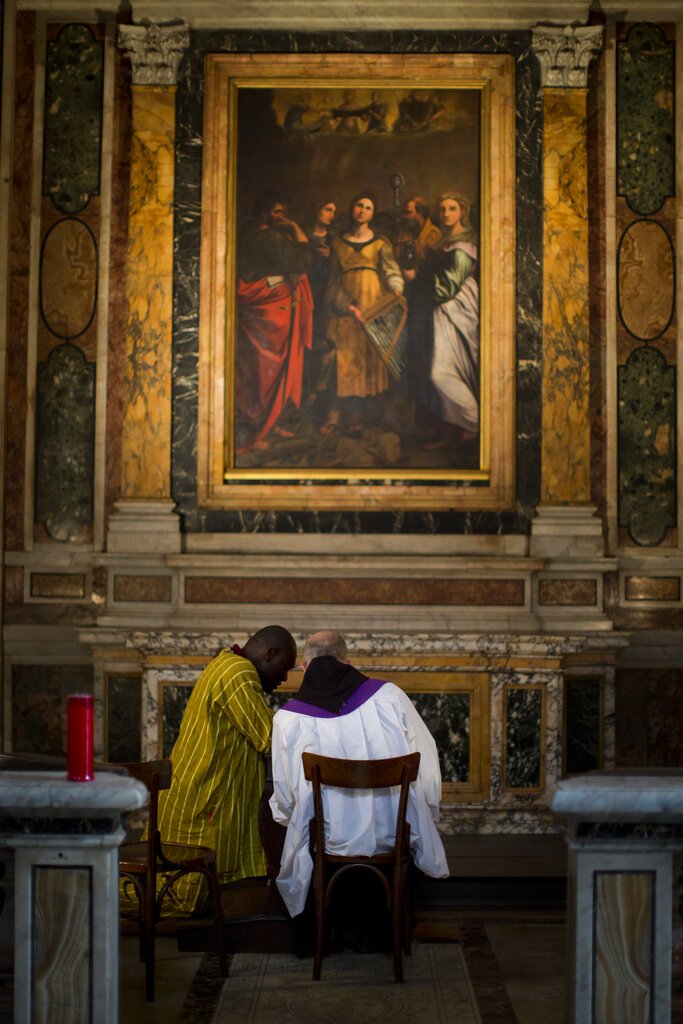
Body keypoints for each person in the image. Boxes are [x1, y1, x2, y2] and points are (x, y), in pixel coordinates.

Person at [269, 630, 449, 926]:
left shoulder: (287, 719)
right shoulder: (390, 697)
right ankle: (382, 926)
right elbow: (426, 764)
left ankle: (330, 928)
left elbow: (286, 799)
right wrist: (426, 813)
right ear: (348, 662)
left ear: (304, 668)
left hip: (326, 842)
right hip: (391, 833)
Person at [152, 625, 297, 915]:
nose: (284, 677)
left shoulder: (226, 664)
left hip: (198, 791)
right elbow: (267, 736)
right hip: (203, 798)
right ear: (269, 653)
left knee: (196, 891)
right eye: (285, 667)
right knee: (182, 896)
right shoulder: (238, 673)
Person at [236, 190, 315, 452]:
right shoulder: (270, 238)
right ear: (264, 212)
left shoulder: (247, 235)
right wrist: (295, 227)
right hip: (270, 310)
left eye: (284, 214)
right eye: (277, 212)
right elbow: (305, 261)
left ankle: (269, 422)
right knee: (269, 370)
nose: (282, 217)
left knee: (256, 372)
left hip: (253, 309)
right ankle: (263, 427)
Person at [323, 193, 404, 433]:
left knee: (366, 360)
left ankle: (359, 416)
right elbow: (332, 281)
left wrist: (397, 287)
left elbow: (391, 269)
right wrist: (347, 306)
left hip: (373, 305)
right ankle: (334, 415)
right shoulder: (337, 242)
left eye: (368, 208)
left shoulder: (380, 242)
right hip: (346, 307)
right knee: (342, 359)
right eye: (359, 205)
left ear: (372, 213)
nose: (362, 210)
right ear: (352, 208)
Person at [408, 189, 479, 457]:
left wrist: (419, 279)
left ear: (462, 211)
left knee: (442, 373)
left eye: (452, 209)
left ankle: (474, 425)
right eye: (442, 209)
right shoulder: (446, 242)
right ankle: (454, 433)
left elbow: (448, 286)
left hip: (457, 308)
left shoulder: (464, 244)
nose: (446, 214)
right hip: (442, 310)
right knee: (440, 370)